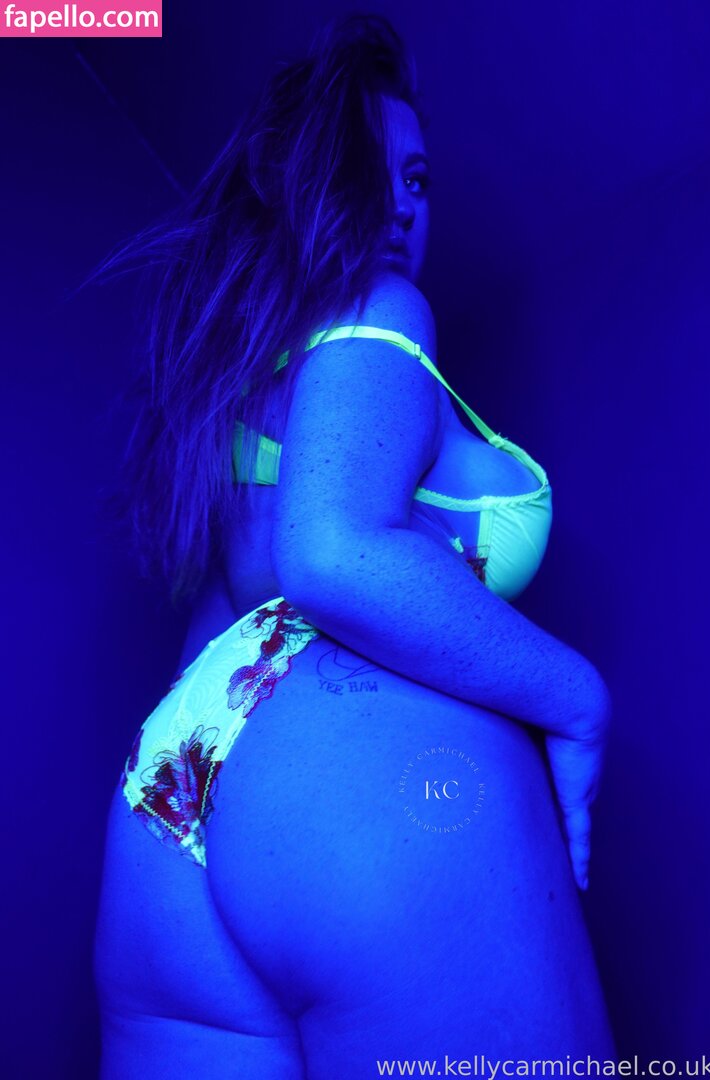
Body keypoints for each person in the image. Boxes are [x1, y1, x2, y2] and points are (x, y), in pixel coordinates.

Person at [93, 12, 616, 1076]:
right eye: (367, 169)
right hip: (352, 792)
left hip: (172, 796)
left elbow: (228, 647)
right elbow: (332, 552)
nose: (404, 205)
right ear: (298, 180)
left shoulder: (246, 371)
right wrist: (577, 697)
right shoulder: (382, 308)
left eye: (419, 179)